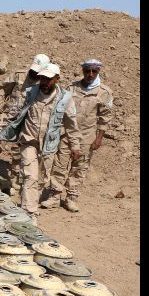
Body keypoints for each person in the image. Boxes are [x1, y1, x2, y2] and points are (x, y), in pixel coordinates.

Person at [0, 63, 81, 224]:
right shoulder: (29, 93)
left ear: (57, 79)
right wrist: (1, 132)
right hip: (29, 141)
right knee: (30, 176)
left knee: (41, 179)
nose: (43, 82)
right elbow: (13, 113)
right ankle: (30, 213)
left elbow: (71, 124)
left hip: (48, 146)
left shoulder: (65, 98)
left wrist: (75, 145)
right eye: (42, 78)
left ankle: (29, 204)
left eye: (48, 79)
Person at [41, 59, 113, 212]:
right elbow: (60, 109)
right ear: (83, 71)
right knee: (59, 165)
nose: (90, 74)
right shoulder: (72, 87)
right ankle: (54, 196)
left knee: (79, 168)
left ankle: (71, 198)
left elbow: (105, 117)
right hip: (67, 134)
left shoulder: (104, 92)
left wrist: (99, 138)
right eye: (87, 71)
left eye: (94, 71)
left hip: (87, 136)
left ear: (98, 72)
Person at [0, 54, 50, 195]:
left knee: (18, 148)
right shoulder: (20, 75)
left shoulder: (46, 83)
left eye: (38, 72)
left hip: (28, 120)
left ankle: (15, 178)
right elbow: (3, 89)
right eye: (33, 70)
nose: (34, 74)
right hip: (9, 115)